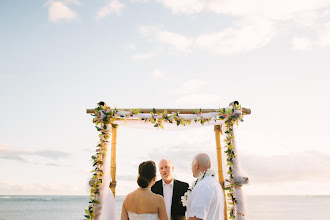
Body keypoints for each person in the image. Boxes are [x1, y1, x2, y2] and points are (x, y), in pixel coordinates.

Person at [186, 153, 224, 220]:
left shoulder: (203, 186)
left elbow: (197, 217)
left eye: (192, 165)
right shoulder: (215, 183)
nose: (191, 167)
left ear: (197, 166)